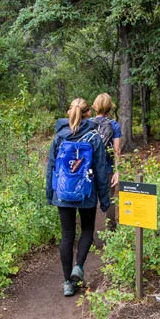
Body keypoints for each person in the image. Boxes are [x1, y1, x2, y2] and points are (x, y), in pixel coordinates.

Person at [46, 97, 112, 297]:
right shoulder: (93, 137)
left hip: (63, 193)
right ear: (88, 114)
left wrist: (51, 194)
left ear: (70, 112)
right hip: (86, 192)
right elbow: (101, 170)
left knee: (67, 235)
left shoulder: (59, 136)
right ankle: (79, 267)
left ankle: (67, 282)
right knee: (87, 229)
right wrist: (105, 199)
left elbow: (51, 167)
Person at [88, 93, 123, 228]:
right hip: (107, 168)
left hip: (90, 168)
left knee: (91, 199)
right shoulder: (114, 125)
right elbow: (117, 150)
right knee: (109, 199)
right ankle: (111, 231)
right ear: (110, 107)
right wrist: (117, 171)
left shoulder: (88, 123)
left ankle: (90, 232)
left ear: (95, 107)